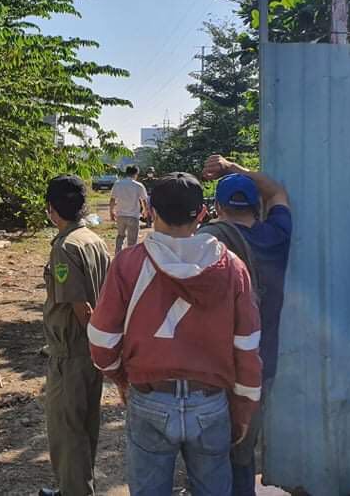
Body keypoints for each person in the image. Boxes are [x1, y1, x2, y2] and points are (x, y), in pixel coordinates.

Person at [88, 172, 262, 496]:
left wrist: (121, 378)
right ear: (202, 213)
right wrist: (244, 409)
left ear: (150, 211)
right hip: (211, 403)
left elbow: (101, 341)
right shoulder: (232, 267)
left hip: (150, 396)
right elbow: (248, 347)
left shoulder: (128, 263)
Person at [200, 155, 292, 496]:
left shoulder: (209, 242)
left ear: (218, 208)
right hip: (259, 363)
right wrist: (234, 168)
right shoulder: (277, 236)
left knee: (209, 453)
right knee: (242, 450)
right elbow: (277, 191)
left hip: (212, 365)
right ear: (257, 207)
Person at [41, 175, 112, 496]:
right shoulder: (94, 240)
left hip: (70, 353)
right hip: (91, 351)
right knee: (85, 425)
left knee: (67, 432)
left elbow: (81, 306)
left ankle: (74, 491)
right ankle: (78, 487)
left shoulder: (65, 246)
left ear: (51, 209)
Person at [109, 166, 150, 253]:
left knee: (120, 236)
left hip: (120, 215)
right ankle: (130, 257)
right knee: (132, 241)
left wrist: (111, 212)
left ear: (126, 173)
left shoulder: (118, 183)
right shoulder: (138, 185)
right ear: (136, 174)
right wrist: (145, 211)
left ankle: (118, 255)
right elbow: (144, 200)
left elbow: (112, 199)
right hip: (133, 216)